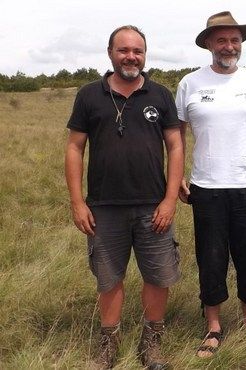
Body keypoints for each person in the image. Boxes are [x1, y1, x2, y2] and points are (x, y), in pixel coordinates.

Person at [64, 25, 183, 369]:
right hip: (103, 207)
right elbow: (74, 148)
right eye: (124, 50)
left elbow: (175, 146)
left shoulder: (160, 95)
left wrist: (170, 200)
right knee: (109, 277)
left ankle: (152, 345)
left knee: (159, 276)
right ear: (110, 52)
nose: (131, 56)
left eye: (138, 51)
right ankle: (108, 346)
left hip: (153, 205)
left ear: (145, 55)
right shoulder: (89, 95)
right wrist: (77, 202)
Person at [175, 11, 246, 358]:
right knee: (210, 257)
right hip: (206, 186)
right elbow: (177, 136)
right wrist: (178, 175)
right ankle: (213, 326)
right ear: (209, 44)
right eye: (222, 40)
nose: (229, 46)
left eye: (235, 40)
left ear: (240, 44)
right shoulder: (190, 83)